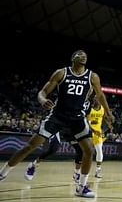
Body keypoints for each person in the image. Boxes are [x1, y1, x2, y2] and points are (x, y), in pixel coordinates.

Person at [0, 50, 114, 198]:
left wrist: (108, 113)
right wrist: (42, 100)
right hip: (58, 115)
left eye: (85, 54)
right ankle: (3, 173)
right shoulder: (61, 73)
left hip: (77, 118)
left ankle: (81, 187)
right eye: (80, 54)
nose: (84, 55)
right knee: (31, 145)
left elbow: (100, 95)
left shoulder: (93, 76)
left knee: (89, 151)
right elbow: (42, 92)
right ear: (73, 58)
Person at [24, 98, 93, 183]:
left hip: (71, 128)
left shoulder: (88, 104)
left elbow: (85, 117)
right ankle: (33, 165)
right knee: (54, 148)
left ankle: (76, 173)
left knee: (81, 150)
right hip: (58, 124)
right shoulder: (71, 93)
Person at [88, 97, 106, 177]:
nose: (96, 100)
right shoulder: (89, 108)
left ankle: (98, 171)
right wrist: (91, 122)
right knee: (86, 152)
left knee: (100, 152)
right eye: (95, 99)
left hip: (98, 133)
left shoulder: (102, 109)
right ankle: (80, 171)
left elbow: (105, 120)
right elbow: (85, 120)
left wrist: (104, 129)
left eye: (98, 99)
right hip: (89, 132)